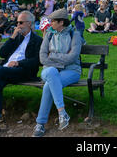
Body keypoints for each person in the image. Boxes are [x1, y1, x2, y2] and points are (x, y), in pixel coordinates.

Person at [32, 9, 82, 137]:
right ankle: (62, 112)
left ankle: (40, 124)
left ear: (61, 22)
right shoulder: (48, 34)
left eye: (53, 21)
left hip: (71, 70)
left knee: (49, 86)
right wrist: (60, 59)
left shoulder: (74, 34)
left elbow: (73, 57)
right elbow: (42, 58)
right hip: (49, 70)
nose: (50, 23)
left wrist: (53, 56)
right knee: (52, 73)